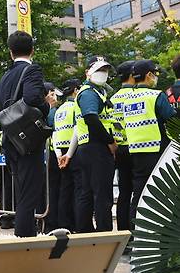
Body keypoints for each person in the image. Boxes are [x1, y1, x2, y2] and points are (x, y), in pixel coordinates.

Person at [0, 31, 52, 238]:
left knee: (21, 190)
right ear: (32, 50)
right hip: (27, 139)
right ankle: (24, 237)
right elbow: (32, 98)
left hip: (10, 138)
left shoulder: (4, 77)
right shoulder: (32, 70)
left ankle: (26, 234)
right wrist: (47, 106)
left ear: (11, 52)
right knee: (30, 194)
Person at [124, 60, 178, 226]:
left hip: (136, 151)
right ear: (149, 75)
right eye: (155, 74)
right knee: (162, 193)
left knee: (138, 193)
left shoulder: (128, 98)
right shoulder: (155, 96)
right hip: (157, 150)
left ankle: (135, 232)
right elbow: (171, 117)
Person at [74, 56, 117, 233]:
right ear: (87, 72)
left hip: (88, 147)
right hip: (96, 147)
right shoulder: (89, 93)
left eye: (105, 70)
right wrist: (110, 141)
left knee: (89, 192)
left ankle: (84, 230)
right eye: (98, 70)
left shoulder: (97, 92)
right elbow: (91, 118)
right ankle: (103, 233)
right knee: (102, 194)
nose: (103, 74)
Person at [110, 61, 136, 230]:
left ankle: (123, 233)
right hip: (136, 148)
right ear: (133, 75)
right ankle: (136, 233)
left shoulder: (112, 98)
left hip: (118, 149)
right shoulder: (135, 96)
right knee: (138, 192)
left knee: (124, 192)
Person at [55, 79, 83, 232]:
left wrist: (60, 155)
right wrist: (69, 155)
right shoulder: (76, 107)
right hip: (74, 151)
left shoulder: (59, 110)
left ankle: (63, 223)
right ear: (75, 90)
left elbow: (55, 134)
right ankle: (78, 224)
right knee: (79, 189)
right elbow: (77, 131)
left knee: (65, 189)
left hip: (61, 151)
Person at [44, 82, 63, 231]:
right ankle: (52, 222)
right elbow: (53, 128)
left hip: (51, 154)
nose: (54, 96)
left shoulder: (54, 109)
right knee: (53, 190)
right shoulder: (51, 111)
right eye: (51, 93)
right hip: (54, 154)